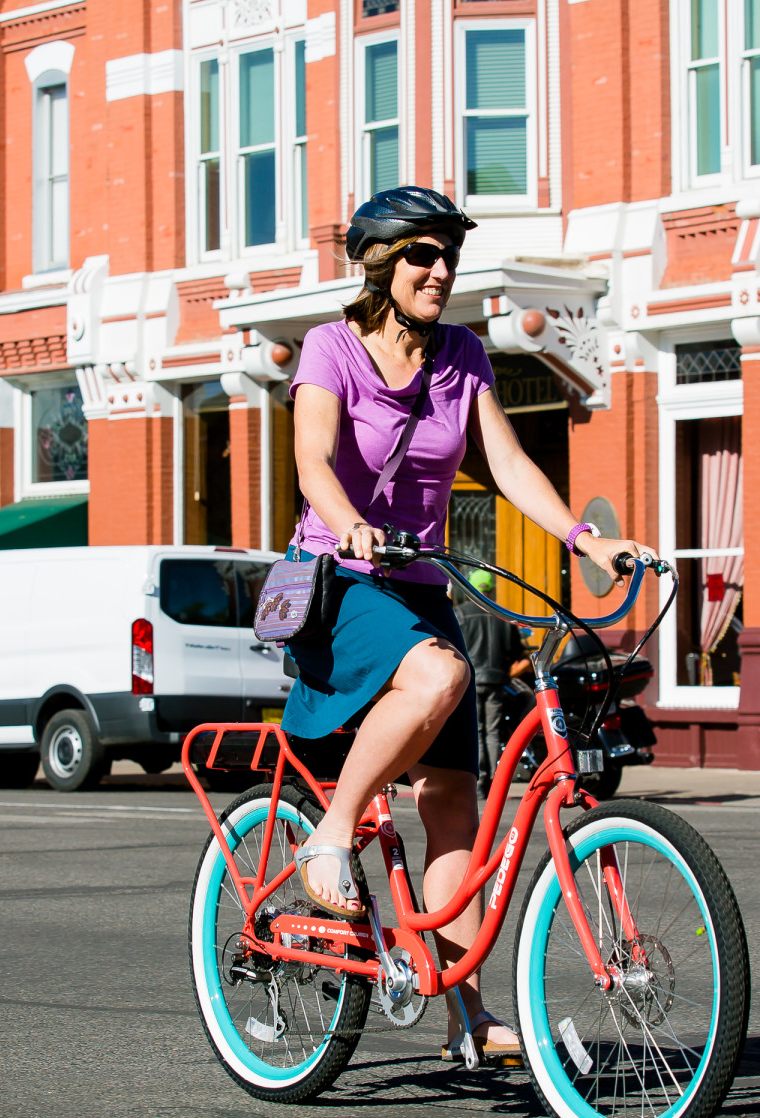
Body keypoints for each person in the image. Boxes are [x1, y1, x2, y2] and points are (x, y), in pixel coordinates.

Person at [280, 186, 655, 1061]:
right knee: (443, 676)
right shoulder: (330, 350)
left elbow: (508, 460)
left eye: (448, 255)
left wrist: (583, 540)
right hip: (338, 576)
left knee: (453, 799)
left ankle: (469, 1017)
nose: (440, 271)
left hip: (420, 581)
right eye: (422, 255)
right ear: (379, 263)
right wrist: (351, 522)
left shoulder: (462, 357)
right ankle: (332, 835)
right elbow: (310, 464)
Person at [454, 568, 531, 798]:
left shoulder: (461, 614)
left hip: (472, 678)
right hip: (498, 679)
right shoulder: (502, 615)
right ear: (490, 588)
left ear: (470, 587)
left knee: (476, 730)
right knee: (492, 731)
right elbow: (517, 651)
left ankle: (479, 782)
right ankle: (496, 782)